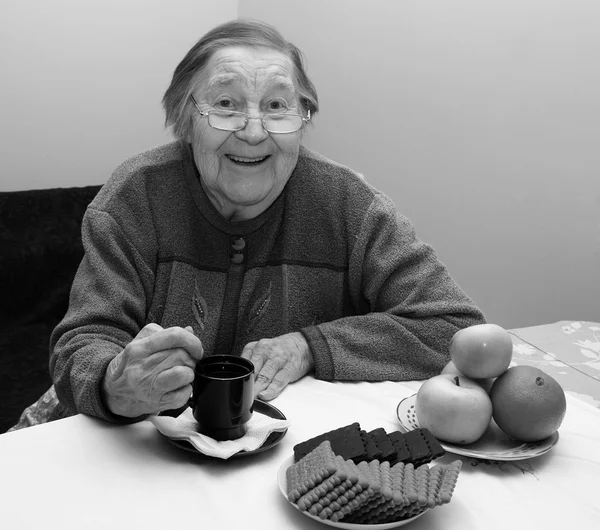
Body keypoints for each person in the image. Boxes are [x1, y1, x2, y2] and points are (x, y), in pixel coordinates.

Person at [43, 19, 485, 424]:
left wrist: (310, 346)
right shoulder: (135, 196)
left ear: (301, 119)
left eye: (276, 105)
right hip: (136, 447)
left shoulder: (348, 204)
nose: (254, 132)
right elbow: (82, 343)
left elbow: (454, 327)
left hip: (279, 458)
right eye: (226, 104)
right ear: (184, 119)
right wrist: (116, 384)